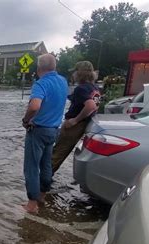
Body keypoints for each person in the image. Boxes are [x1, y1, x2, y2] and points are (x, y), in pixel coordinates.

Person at [21, 54, 68, 214]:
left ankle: (31, 204)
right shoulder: (63, 81)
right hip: (54, 130)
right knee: (46, 164)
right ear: (54, 67)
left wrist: (26, 119)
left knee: (32, 167)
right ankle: (42, 195)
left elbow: (35, 106)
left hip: (38, 130)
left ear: (38, 68)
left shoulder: (41, 84)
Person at [51, 61, 100, 175]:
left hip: (74, 126)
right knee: (60, 153)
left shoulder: (81, 89)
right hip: (84, 124)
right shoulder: (94, 88)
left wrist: (75, 120)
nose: (73, 74)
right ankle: (46, 180)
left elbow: (90, 105)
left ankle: (42, 182)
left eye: (74, 71)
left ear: (80, 73)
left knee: (57, 153)